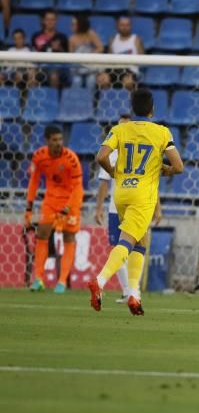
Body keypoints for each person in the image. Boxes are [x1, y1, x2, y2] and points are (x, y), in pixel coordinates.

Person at [90, 88, 182, 315]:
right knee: (127, 242)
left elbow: (101, 156)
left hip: (121, 193)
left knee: (140, 242)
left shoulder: (120, 129)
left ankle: (134, 294)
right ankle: (100, 281)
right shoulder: (162, 132)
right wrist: (165, 170)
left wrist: (112, 172)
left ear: (133, 109)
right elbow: (179, 166)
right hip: (143, 195)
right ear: (153, 109)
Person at [95, 114, 162, 305]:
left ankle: (132, 291)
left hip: (122, 202)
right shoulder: (116, 151)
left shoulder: (118, 150)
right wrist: (99, 207)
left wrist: (157, 206)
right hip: (127, 205)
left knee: (131, 244)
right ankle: (129, 290)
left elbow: (151, 182)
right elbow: (104, 184)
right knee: (129, 245)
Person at [25, 125, 84, 294]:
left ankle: (62, 281)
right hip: (50, 200)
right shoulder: (39, 157)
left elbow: (78, 188)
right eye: (54, 140)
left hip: (70, 200)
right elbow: (34, 182)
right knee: (42, 234)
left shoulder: (71, 159)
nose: (59, 143)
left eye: (60, 139)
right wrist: (28, 208)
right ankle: (38, 279)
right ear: (47, 141)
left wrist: (68, 208)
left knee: (68, 236)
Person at [97, 15, 144, 90]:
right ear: (117, 26)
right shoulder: (112, 40)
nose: (124, 27)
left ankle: (130, 101)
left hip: (130, 69)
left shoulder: (136, 40)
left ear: (131, 26)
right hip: (114, 68)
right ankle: (106, 100)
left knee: (128, 82)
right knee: (103, 80)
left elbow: (142, 59)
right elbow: (109, 59)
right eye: (122, 25)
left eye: (127, 25)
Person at [30, 11, 69, 88]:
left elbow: (67, 57)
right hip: (40, 65)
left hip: (57, 66)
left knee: (54, 75)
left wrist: (59, 49)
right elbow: (33, 53)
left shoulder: (62, 37)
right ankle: (32, 98)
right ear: (43, 21)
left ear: (56, 21)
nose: (50, 22)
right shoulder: (36, 36)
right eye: (48, 19)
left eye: (52, 19)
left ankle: (53, 98)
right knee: (31, 74)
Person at [68, 14, 104, 87]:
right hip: (77, 67)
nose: (72, 26)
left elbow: (100, 48)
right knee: (76, 81)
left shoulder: (91, 34)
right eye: (72, 24)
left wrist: (89, 56)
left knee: (91, 80)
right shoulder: (72, 39)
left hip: (91, 66)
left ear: (81, 25)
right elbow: (70, 55)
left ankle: (90, 98)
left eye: (74, 24)